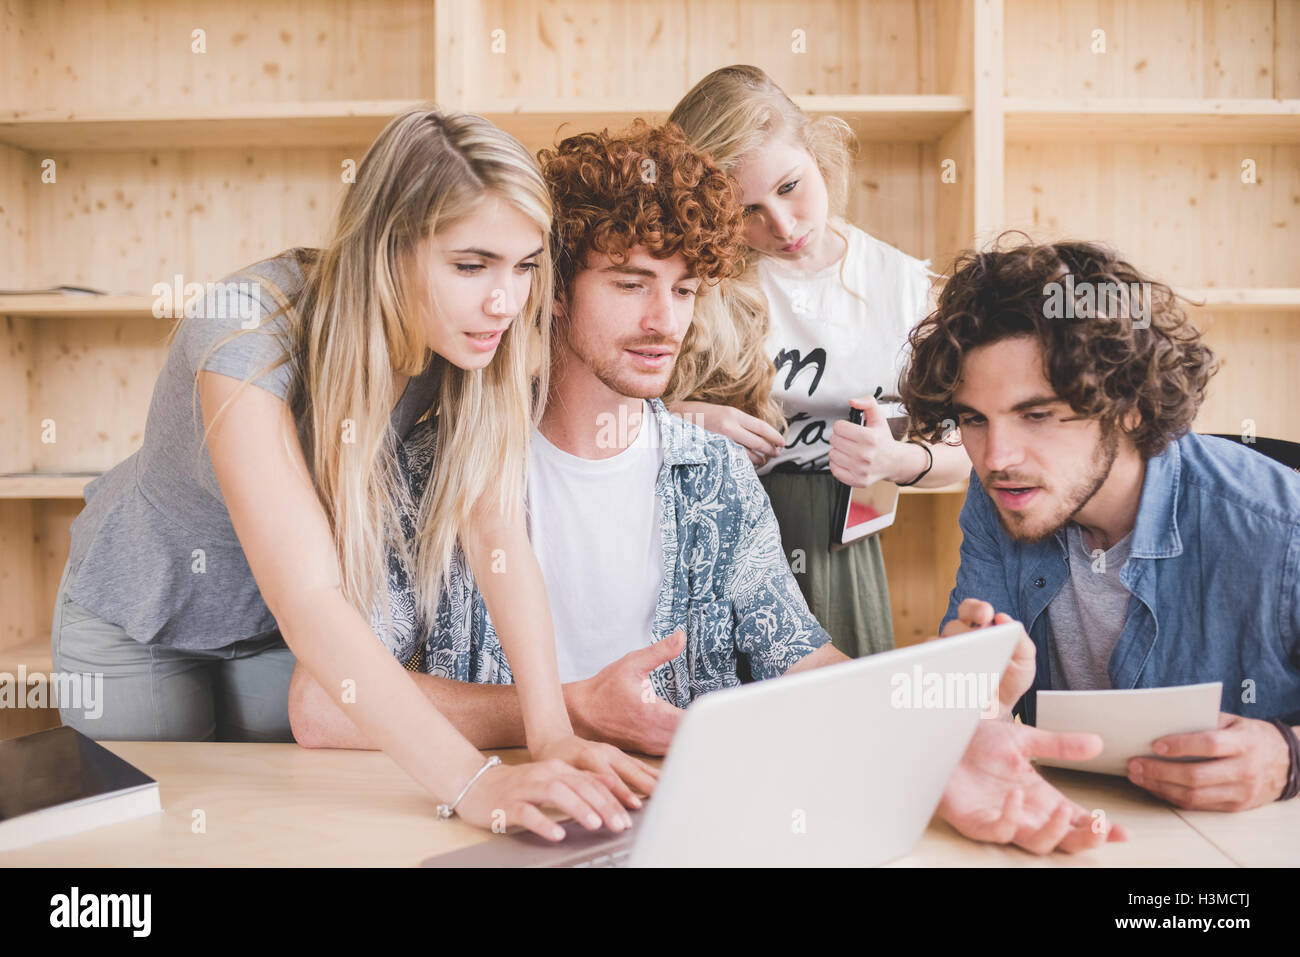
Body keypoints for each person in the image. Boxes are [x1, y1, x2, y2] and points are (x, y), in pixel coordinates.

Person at [290, 120, 1126, 855]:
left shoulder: (713, 474)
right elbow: (326, 707)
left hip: (677, 834)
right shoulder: (435, 466)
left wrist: (933, 712)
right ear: (549, 292)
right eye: (630, 283)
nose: (666, 321)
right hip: (502, 822)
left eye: (685, 288)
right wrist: (569, 711)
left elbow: (803, 662)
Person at [51, 107, 651, 842]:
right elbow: (308, 593)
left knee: (281, 833)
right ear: (389, 248)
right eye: (471, 264)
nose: (505, 300)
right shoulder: (246, 335)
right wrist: (474, 780)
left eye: (524, 265)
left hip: (278, 636)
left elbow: (494, 529)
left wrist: (551, 731)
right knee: (151, 840)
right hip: (142, 619)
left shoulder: (468, 339)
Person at [901, 234, 1300, 812]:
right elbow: (969, 698)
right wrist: (971, 696)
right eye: (974, 420)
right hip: (1070, 825)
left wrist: (1288, 756)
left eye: (1037, 415)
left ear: (1130, 406)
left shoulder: (1278, 524)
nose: (995, 458)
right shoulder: (999, 498)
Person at [661, 64, 971, 658]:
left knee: (846, 729)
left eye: (788, 187)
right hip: (712, 540)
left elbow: (966, 453)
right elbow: (605, 418)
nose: (781, 226)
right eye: (743, 210)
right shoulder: (696, 280)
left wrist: (894, 459)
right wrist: (685, 418)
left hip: (841, 550)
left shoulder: (902, 285)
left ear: (819, 154)